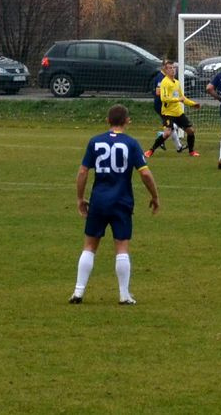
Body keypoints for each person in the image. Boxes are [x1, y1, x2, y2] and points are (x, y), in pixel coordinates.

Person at [70, 104, 160, 305]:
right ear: (127, 121)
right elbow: (145, 173)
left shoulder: (95, 142)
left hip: (99, 201)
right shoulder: (131, 143)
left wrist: (80, 198)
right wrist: (155, 196)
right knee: (121, 246)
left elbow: (83, 171)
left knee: (89, 246)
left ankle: (78, 292)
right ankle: (124, 295)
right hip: (121, 201)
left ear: (107, 121)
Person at [145, 62, 201, 157]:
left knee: (191, 131)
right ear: (166, 70)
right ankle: (151, 150)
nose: (173, 69)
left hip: (178, 113)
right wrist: (178, 99)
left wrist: (193, 104)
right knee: (167, 133)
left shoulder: (177, 82)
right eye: (170, 68)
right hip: (168, 113)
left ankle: (191, 151)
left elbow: (182, 98)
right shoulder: (164, 82)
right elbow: (164, 98)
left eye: (174, 68)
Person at [152, 60, 184, 153]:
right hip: (161, 105)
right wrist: (169, 94)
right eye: (169, 67)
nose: (171, 69)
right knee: (172, 126)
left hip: (168, 106)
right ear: (163, 67)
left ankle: (179, 147)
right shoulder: (160, 77)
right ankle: (162, 135)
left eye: (172, 67)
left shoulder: (168, 78)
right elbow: (158, 92)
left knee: (172, 126)